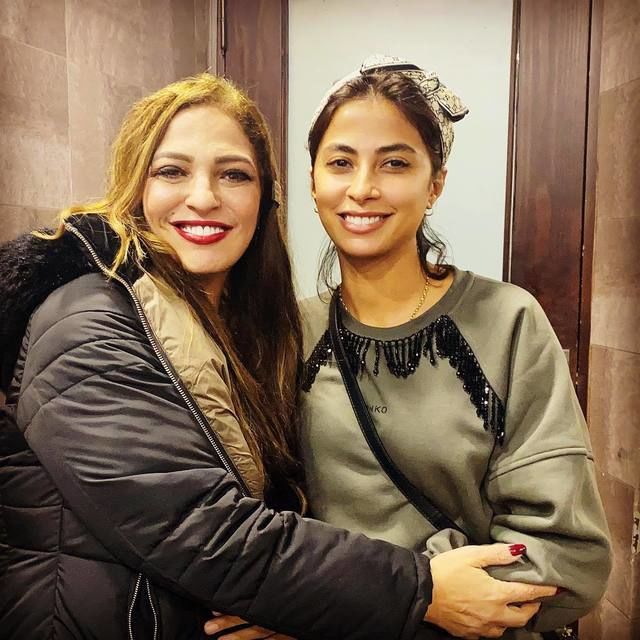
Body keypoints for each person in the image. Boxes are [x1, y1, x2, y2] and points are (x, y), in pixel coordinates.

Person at [0, 72, 556, 640]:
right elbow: (198, 528)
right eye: (172, 171)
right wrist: (416, 593)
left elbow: (564, 550)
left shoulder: (251, 330)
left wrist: (309, 607)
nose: (204, 197)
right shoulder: (89, 318)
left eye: (234, 174)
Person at [207, 56, 611, 640]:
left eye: (394, 163)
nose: (362, 188)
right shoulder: (285, 334)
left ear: (435, 183)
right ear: (314, 182)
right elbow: (255, 525)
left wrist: (375, 605)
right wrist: (343, 600)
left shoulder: (507, 322)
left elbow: (567, 559)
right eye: (340, 162)